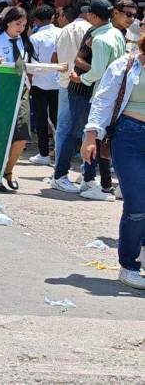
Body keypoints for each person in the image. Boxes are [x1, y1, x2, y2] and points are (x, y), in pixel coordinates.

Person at [82, 33, 145, 289]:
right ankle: (129, 264)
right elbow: (103, 100)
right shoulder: (126, 64)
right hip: (129, 136)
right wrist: (90, 136)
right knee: (137, 200)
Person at [70, 0, 126, 200]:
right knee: (107, 141)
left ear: (93, 16)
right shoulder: (116, 34)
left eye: (89, 14)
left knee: (94, 139)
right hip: (118, 94)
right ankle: (107, 184)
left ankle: (101, 186)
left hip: (102, 94)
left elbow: (98, 72)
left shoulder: (101, 39)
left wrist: (79, 78)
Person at [0, 6, 36, 192]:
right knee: (2, 134)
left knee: (22, 133)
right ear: (8, 22)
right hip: (2, 91)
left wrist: (55, 68)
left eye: (24, 24)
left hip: (21, 90)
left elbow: (32, 65)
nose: (21, 28)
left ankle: (9, 170)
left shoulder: (24, 42)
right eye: (17, 23)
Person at [48, 1, 93, 192]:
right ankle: (86, 171)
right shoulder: (92, 30)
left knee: (63, 128)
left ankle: (59, 170)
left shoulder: (64, 30)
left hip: (64, 81)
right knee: (85, 129)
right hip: (83, 84)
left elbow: (56, 57)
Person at [28, 5, 62, 166]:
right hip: (59, 81)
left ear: (36, 20)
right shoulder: (62, 33)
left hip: (40, 82)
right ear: (53, 17)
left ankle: (44, 154)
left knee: (41, 120)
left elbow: (32, 62)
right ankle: (60, 153)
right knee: (58, 120)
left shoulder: (35, 37)